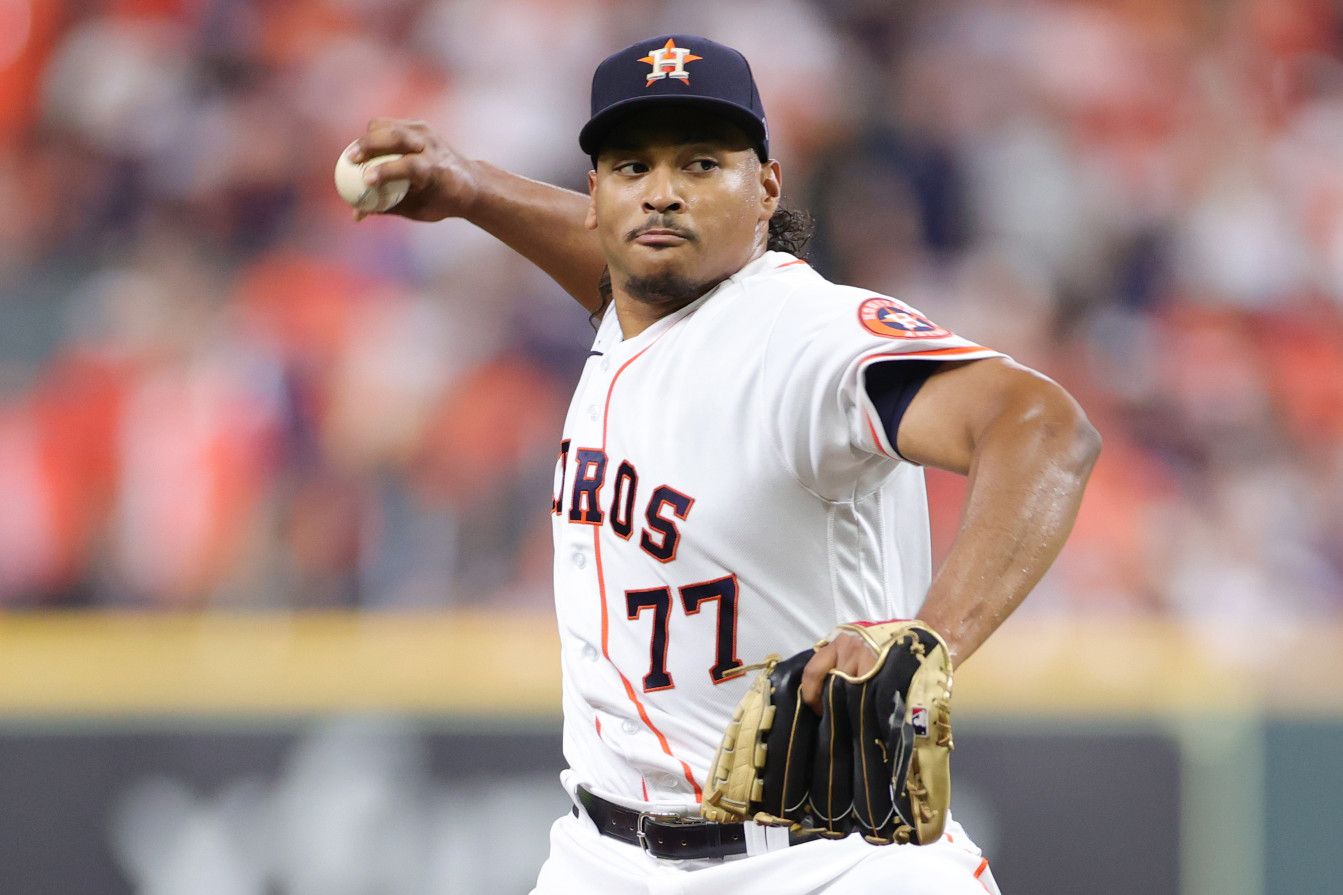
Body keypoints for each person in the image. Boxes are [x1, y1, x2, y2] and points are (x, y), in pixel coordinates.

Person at [348, 34, 1100, 894]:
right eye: (631, 167)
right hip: (603, 856)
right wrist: (473, 188)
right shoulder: (638, 309)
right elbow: (625, 263)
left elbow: (1043, 429)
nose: (662, 194)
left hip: (826, 860)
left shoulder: (809, 336)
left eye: (702, 165)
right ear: (593, 193)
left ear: (765, 188)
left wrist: (931, 639)